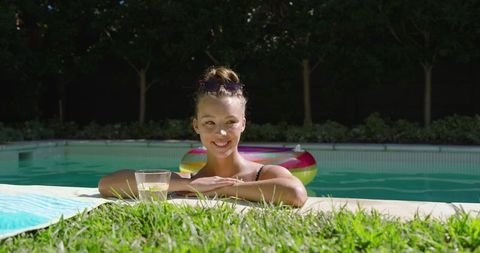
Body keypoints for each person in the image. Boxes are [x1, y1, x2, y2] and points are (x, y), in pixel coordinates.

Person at [98, 66, 308, 207]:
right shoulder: (188, 180)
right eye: (209, 123)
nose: (221, 133)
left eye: (231, 122)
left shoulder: (264, 174)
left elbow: (295, 193)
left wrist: (222, 188)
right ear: (196, 125)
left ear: (243, 124)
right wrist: (190, 186)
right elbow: (107, 185)